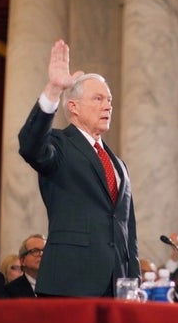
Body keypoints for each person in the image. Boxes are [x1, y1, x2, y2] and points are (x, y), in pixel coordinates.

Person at [18, 39, 139, 297]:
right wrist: (53, 91)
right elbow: (30, 146)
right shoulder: (60, 145)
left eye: (109, 100)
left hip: (116, 287)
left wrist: (133, 280)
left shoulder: (118, 164)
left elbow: (128, 231)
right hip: (70, 282)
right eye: (98, 99)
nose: (108, 105)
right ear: (73, 107)